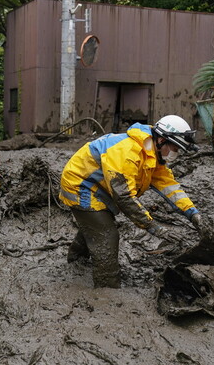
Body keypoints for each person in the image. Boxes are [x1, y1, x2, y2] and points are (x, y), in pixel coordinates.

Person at [59, 115, 203, 288]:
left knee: (95, 226)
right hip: (81, 186)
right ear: (162, 140)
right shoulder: (129, 153)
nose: (175, 154)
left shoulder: (152, 153)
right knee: (107, 234)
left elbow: (170, 187)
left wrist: (193, 213)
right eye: (175, 148)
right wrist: (155, 228)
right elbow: (124, 197)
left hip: (101, 188)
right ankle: (107, 286)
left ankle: (76, 262)